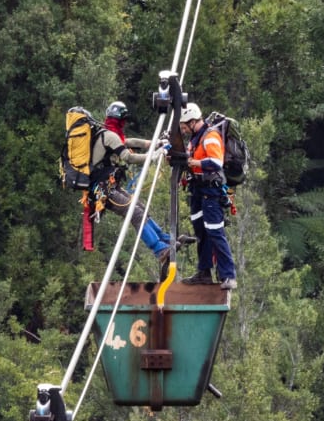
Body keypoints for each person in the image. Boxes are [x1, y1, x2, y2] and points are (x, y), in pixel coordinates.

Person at [90, 101, 191, 278]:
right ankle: (160, 251)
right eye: (123, 120)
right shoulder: (110, 136)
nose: (125, 124)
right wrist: (154, 155)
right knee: (134, 213)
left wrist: (156, 143)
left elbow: (132, 142)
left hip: (110, 185)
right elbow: (128, 157)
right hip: (102, 190)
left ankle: (165, 239)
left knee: (139, 207)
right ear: (119, 120)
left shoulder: (110, 134)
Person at [177, 102, 237, 290]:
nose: (184, 129)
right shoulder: (195, 139)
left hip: (210, 192)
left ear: (193, 121)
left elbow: (216, 161)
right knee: (201, 232)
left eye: (185, 125)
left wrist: (195, 162)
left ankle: (229, 276)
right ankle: (204, 272)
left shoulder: (210, 136)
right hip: (197, 190)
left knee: (215, 232)